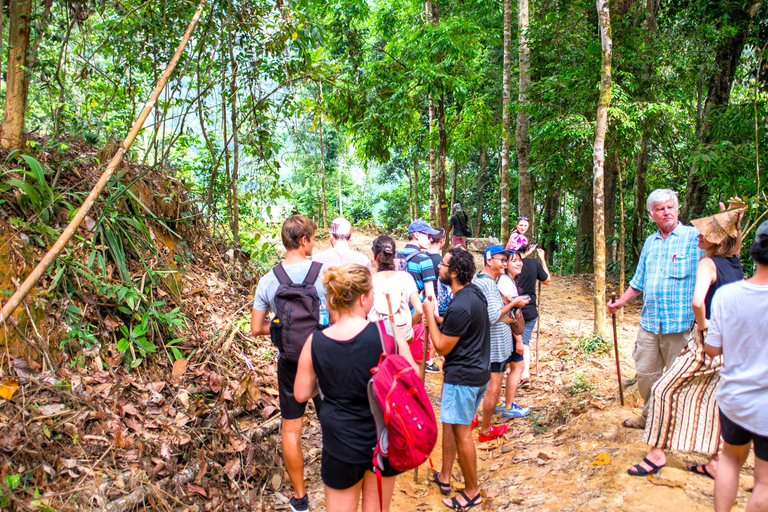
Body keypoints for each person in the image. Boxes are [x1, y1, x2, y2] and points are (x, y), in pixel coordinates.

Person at [628, 206, 745, 477]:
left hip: (708, 340)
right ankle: (716, 460)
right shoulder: (734, 260)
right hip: (731, 339)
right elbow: (734, 241)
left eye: (705, 233)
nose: (699, 236)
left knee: (662, 389)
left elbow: (697, 302)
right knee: (716, 397)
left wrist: (703, 328)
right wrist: (734, 220)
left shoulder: (708, 262)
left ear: (716, 239)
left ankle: (657, 453)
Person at [294, 264, 418, 512]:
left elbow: (301, 393)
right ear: (363, 298)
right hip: (382, 439)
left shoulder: (315, 342)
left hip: (340, 442)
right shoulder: (388, 333)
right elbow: (412, 376)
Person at [607, 189, 701, 429]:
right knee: (646, 375)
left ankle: (675, 424)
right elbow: (639, 281)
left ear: (677, 210)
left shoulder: (694, 237)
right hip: (650, 323)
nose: (666, 212)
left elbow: (725, 251)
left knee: (679, 378)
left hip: (681, 324)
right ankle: (648, 417)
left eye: (670, 207)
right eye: (660, 209)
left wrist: (733, 219)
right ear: (651, 214)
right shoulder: (651, 242)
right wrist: (620, 303)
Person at [250, 215, 325, 512]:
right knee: (331, 422)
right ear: (304, 241)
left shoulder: (269, 280)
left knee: (291, 430)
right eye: (313, 238)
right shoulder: (325, 273)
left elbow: (255, 327)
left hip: (290, 363)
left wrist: (281, 326)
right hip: (323, 357)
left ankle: (299, 498)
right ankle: (338, 484)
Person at [705, 220, 768, 512]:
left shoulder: (727, 295)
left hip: (734, 399)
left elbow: (713, 349)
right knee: (764, 483)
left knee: (729, 459)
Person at [422, 248, 489, 510]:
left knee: (462, 433)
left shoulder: (461, 304)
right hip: (475, 373)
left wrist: (428, 312)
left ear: (454, 272)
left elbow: (440, 346)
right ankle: (445, 476)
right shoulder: (473, 294)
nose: (439, 267)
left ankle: (472, 491)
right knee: (451, 425)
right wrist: (437, 315)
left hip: (463, 377)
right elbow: (452, 324)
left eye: (444, 264)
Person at [474, 246, 523, 441]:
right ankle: (485, 430)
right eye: (501, 260)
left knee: (486, 386)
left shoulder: (487, 281)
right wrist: (513, 304)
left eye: (506, 260)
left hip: (493, 344)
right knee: (493, 388)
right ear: (488, 260)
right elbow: (493, 315)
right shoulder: (486, 284)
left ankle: (474, 421)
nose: (504, 264)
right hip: (494, 347)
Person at [397, 220, 439, 372]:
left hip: (396, 317)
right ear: (416, 235)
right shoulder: (424, 260)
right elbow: (430, 295)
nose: (430, 240)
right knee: (417, 364)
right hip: (416, 319)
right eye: (427, 236)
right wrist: (436, 319)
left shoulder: (395, 255)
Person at [367, 235, 423, 347]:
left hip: (377, 338)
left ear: (374, 257)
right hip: (402, 339)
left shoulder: (369, 282)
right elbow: (419, 310)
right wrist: (408, 326)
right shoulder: (406, 278)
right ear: (394, 256)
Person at [496, 250, 532, 417]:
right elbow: (509, 312)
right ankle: (509, 407)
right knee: (517, 366)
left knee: (500, 368)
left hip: (504, 330)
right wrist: (519, 339)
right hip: (508, 331)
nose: (519, 263)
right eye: (514, 261)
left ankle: (497, 403)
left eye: (520, 260)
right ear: (506, 264)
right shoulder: (504, 282)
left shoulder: (506, 280)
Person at [516, 245, 551, 388]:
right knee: (524, 342)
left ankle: (514, 372)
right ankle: (525, 375)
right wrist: (542, 259)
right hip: (529, 309)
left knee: (514, 341)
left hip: (513, 309)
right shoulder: (534, 263)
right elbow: (547, 279)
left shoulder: (508, 265)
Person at [425, 228, 453, 323]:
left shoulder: (421, 259)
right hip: (438, 307)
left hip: (424, 303)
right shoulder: (443, 263)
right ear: (442, 240)